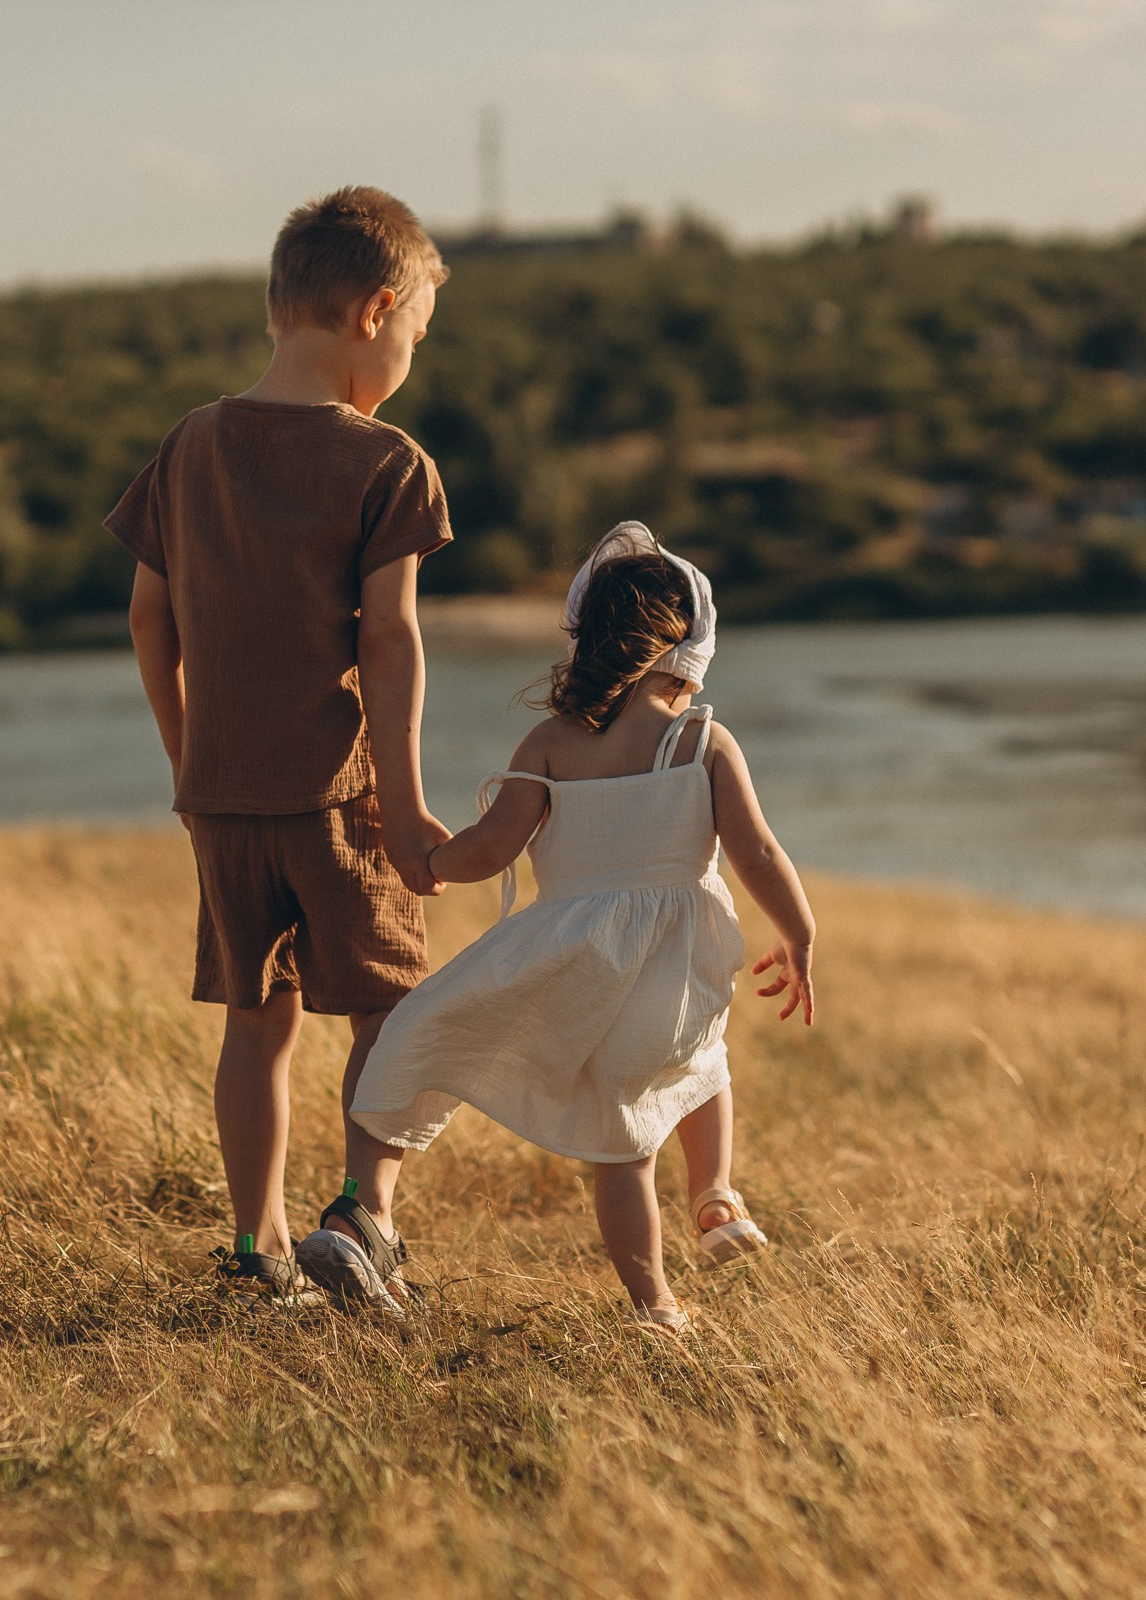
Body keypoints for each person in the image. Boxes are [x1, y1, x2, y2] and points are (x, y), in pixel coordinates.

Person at [328, 522, 818, 1330]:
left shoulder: (551, 744)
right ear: (689, 651)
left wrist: (431, 861)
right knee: (701, 1062)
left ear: (584, 640)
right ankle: (715, 1195)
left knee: (621, 1149)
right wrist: (797, 935)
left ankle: (655, 1304)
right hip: (680, 963)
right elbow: (758, 851)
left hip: (579, 967)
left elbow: (492, 847)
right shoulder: (701, 740)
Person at [108, 186, 455, 1306]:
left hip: (221, 795)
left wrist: (186, 762)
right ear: (375, 311)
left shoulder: (189, 445)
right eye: (414, 337)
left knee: (258, 1022)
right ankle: (362, 1215)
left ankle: (258, 1253)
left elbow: (148, 620)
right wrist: (406, 804)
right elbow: (390, 640)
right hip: (336, 792)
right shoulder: (388, 462)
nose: (408, 360)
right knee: (392, 1006)